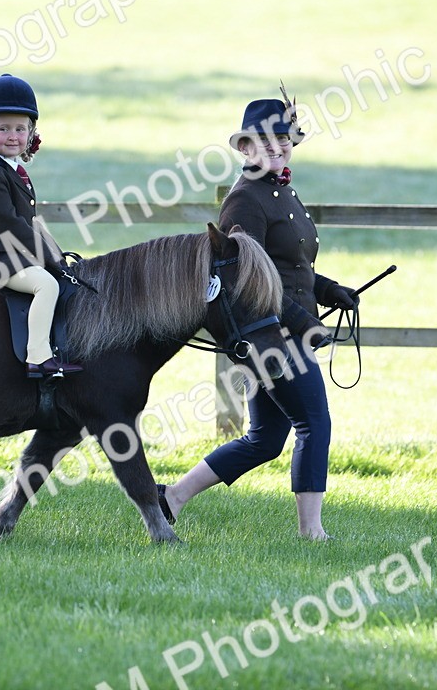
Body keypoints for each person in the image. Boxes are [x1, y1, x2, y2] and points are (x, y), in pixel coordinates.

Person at [157, 94, 358, 540]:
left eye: (283, 139)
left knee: (265, 439)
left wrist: (330, 291)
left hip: (290, 329)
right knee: (313, 421)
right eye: (265, 141)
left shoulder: (281, 190)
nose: (277, 148)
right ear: (245, 148)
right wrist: (304, 322)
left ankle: (170, 497)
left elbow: (290, 267)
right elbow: (248, 278)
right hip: (268, 335)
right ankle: (312, 531)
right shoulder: (245, 201)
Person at [0, 73, 82, 380]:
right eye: (3, 128)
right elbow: (12, 226)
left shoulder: (14, 170)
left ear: (31, 132)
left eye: (20, 128)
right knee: (47, 284)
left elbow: (32, 223)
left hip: (13, 257)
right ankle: (39, 357)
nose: (13, 136)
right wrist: (48, 259)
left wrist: (58, 254)